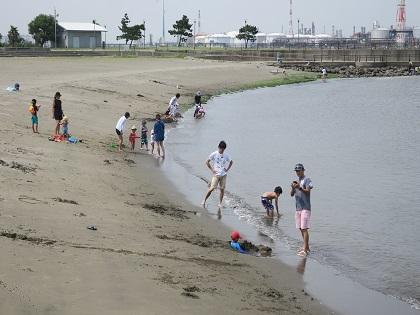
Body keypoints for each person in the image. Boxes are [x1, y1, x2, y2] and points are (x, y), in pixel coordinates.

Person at [290, 163, 313, 257]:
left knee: (304, 228)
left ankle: (305, 249)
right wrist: (293, 188)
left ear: (303, 170)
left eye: (299, 170)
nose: (297, 172)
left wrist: (299, 187)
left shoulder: (307, 180)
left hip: (305, 207)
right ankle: (306, 247)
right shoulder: (297, 181)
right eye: (296, 171)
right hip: (298, 207)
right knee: (300, 228)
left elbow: (308, 191)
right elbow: (291, 194)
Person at [202, 141, 233, 208]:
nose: (222, 150)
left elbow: (231, 162)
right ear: (218, 147)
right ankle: (204, 201)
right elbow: (207, 162)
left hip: (223, 175)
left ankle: (220, 203)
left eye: (223, 149)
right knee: (212, 188)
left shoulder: (226, 155)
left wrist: (227, 169)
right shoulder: (214, 154)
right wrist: (212, 170)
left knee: (222, 189)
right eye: (221, 148)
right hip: (216, 175)